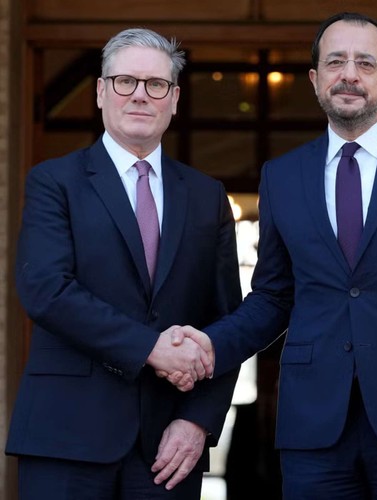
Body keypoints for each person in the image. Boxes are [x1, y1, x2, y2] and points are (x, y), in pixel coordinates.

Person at [166, 12, 377, 499]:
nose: (349, 74)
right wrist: (211, 346)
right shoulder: (282, 176)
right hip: (314, 428)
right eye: (336, 61)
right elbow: (274, 297)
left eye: (365, 63)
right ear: (314, 78)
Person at [5, 27, 242, 500]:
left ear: (174, 99)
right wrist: (150, 348)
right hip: (66, 435)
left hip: (168, 446)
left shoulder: (206, 196)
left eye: (156, 84)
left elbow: (227, 323)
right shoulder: (54, 182)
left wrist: (198, 420)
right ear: (100, 91)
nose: (139, 95)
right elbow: (46, 290)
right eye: (125, 81)